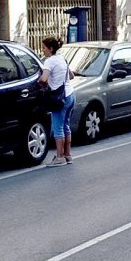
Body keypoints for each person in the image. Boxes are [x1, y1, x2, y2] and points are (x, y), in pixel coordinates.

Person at [40, 35, 75, 165]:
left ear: (51, 49)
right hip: (70, 95)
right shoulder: (62, 59)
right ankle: (68, 155)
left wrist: (42, 83)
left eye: (44, 48)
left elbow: (43, 79)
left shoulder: (49, 62)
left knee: (57, 127)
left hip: (59, 98)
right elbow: (71, 76)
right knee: (66, 125)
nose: (42, 50)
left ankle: (59, 157)